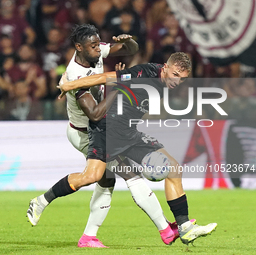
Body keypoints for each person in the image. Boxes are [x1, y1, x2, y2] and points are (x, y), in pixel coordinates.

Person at [31, 52, 217, 245]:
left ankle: (184, 227)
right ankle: (42, 201)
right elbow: (105, 77)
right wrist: (68, 85)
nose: (177, 81)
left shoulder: (164, 84)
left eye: (183, 78)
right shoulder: (144, 73)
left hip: (128, 133)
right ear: (166, 67)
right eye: (176, 74)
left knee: (174, 168)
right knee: (92, 177)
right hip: (106, 130)